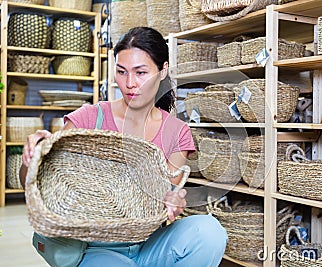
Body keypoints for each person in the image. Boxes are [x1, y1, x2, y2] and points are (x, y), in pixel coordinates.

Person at [19, 27, 228, 267]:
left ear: (163, 71)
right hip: (93, 248)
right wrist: (31, 158)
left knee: (209, 232)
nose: (129, 84)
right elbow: (33, 183)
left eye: (141, 73)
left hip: (148, 242)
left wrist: (175, 198)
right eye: (121, 72)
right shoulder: (89, 118)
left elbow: (166, 194)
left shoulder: (177, 132)